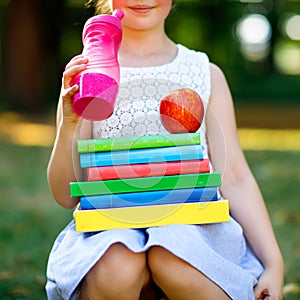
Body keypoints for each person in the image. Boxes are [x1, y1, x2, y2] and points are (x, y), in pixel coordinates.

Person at [46, 1, 284, 299]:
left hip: (194, 228)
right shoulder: (88, 75)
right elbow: (65, 195)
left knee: (172, 255)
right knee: (117, 262)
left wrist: (274, 264)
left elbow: (234, 176)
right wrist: (70, 122)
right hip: (108, 230)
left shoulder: (204, 72)